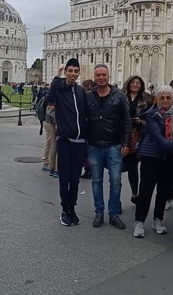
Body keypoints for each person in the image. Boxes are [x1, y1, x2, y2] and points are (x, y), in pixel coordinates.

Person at [133, 85, 173, 238]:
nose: (165, 100)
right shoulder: (151, 115)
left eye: (168, 97)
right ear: (156, 99)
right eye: (161, 97)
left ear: (172, 99)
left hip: (168, 158)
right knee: (146, 190)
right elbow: (158, 138)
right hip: (151, 156)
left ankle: (158, 219)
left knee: (163, 190)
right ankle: (139, 221)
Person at [84, 64, 131, 229]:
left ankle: (113, 214)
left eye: (104, 75)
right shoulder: (88, 96)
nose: (101, 78)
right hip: (94, 145)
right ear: (95, 77)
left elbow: (127, 121)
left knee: (116, 181)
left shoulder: (119, 97)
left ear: (108, 76)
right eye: (98, 75)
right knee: (96, 180)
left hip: (114, 145)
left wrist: (126, 143)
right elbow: (84, 120)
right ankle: (99, 212)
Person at [47, 59, 88, 227]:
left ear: (79, 73)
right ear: (66, 72)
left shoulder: (80, 91)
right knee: (64, 179)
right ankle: (65, 209)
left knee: (75, 179)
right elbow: (50, 98)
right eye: (70, 71)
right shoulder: (60, 89)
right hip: (64, 140)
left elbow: (85, 113)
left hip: (79, 142)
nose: (72, 74)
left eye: (75, 71)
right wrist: (57, 77)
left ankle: (72, 209)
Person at [122, 75, 153, 204]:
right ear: (128, 84)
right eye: (133, 82)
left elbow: (149, 119)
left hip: (137, 136)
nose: (135, 85)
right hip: (122, 135)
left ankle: (135, 194)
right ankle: (115, 198)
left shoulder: (146, 99)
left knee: (132, 166)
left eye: (138, 83)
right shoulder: (121, 97)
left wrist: (140, 121)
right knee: (116, 168)